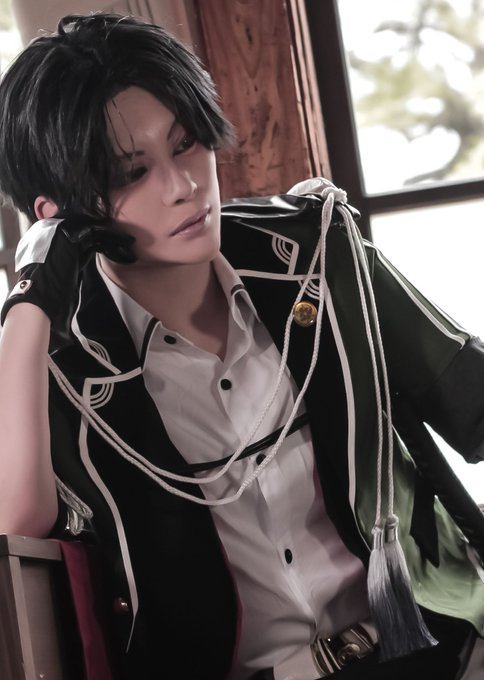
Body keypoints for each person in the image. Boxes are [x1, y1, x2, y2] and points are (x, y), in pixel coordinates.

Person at [0, 12, 483, 680]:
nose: (184, 186)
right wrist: (27, 304)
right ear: (61, 214)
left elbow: (474, 402)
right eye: (132, 172)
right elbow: (18, 522)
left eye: (187, 143)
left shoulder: (318, 253)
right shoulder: (56, 368)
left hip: (438, 648)